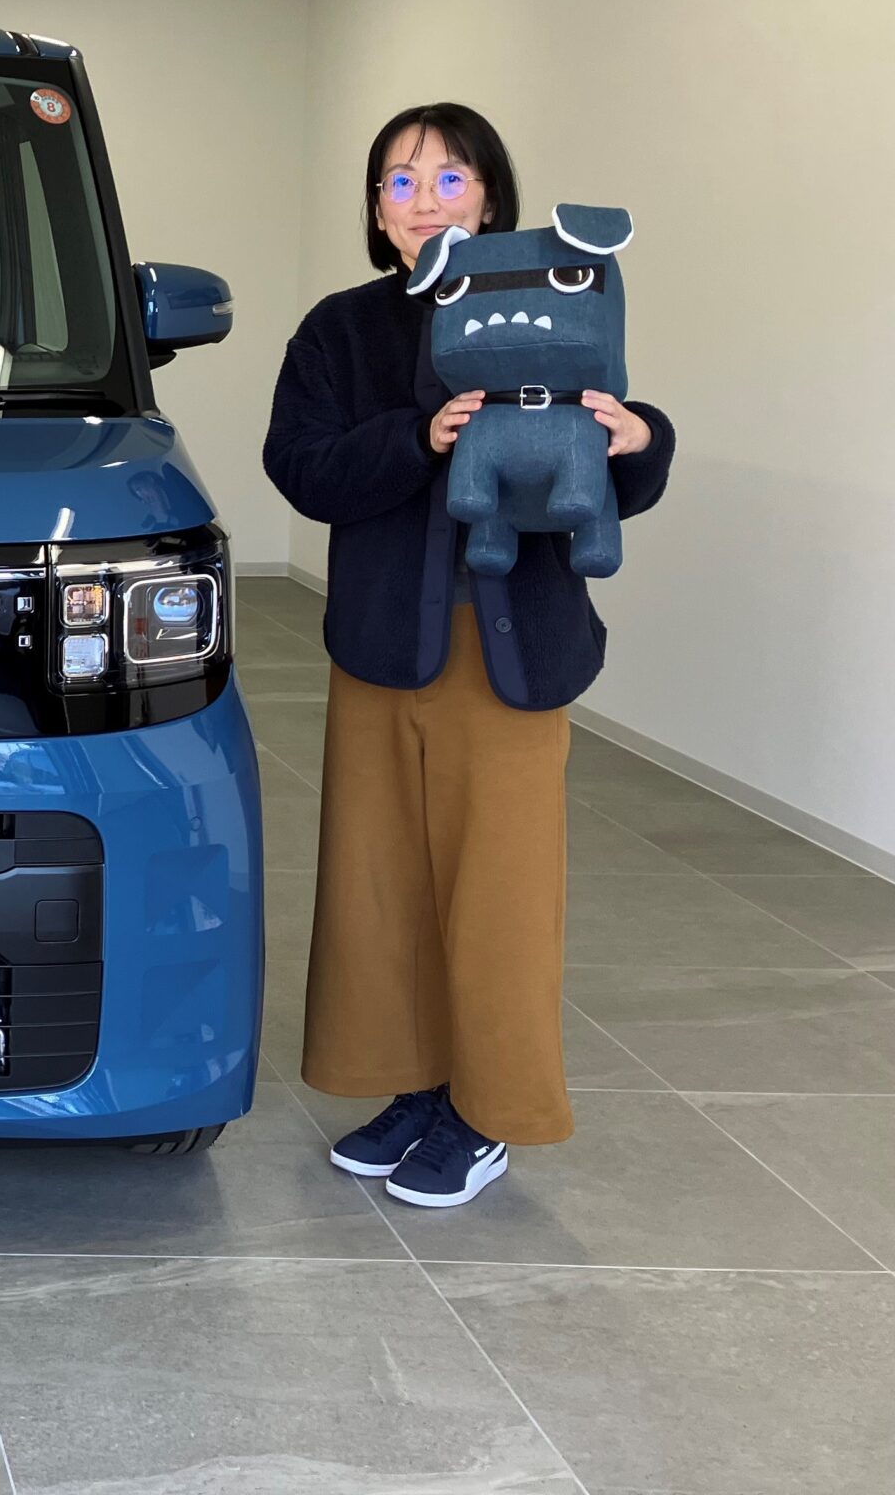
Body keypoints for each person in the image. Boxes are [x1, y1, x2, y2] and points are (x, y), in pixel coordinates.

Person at [262, 103, 674, 1208]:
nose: (424, 200)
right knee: (382, 888)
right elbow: (300, 467)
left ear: (490, 198)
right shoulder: (341, 329)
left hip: (515, 651)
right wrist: (418, 437)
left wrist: (643, 438)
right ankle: (417, 1086)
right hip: (382, 645)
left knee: (499, 897)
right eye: (399, 182)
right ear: (375, 211)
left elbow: (604, 440)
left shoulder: (549, 292)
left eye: (449, 178)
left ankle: (488, 1112)